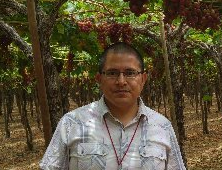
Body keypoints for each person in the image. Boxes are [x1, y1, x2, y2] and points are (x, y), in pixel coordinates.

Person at [40, 42, 186, 170]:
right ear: (99, 79)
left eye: (130, 73)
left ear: (143, 79)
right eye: (112, 73)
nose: (121, 81)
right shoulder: (72, 123)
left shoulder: (162, 127)